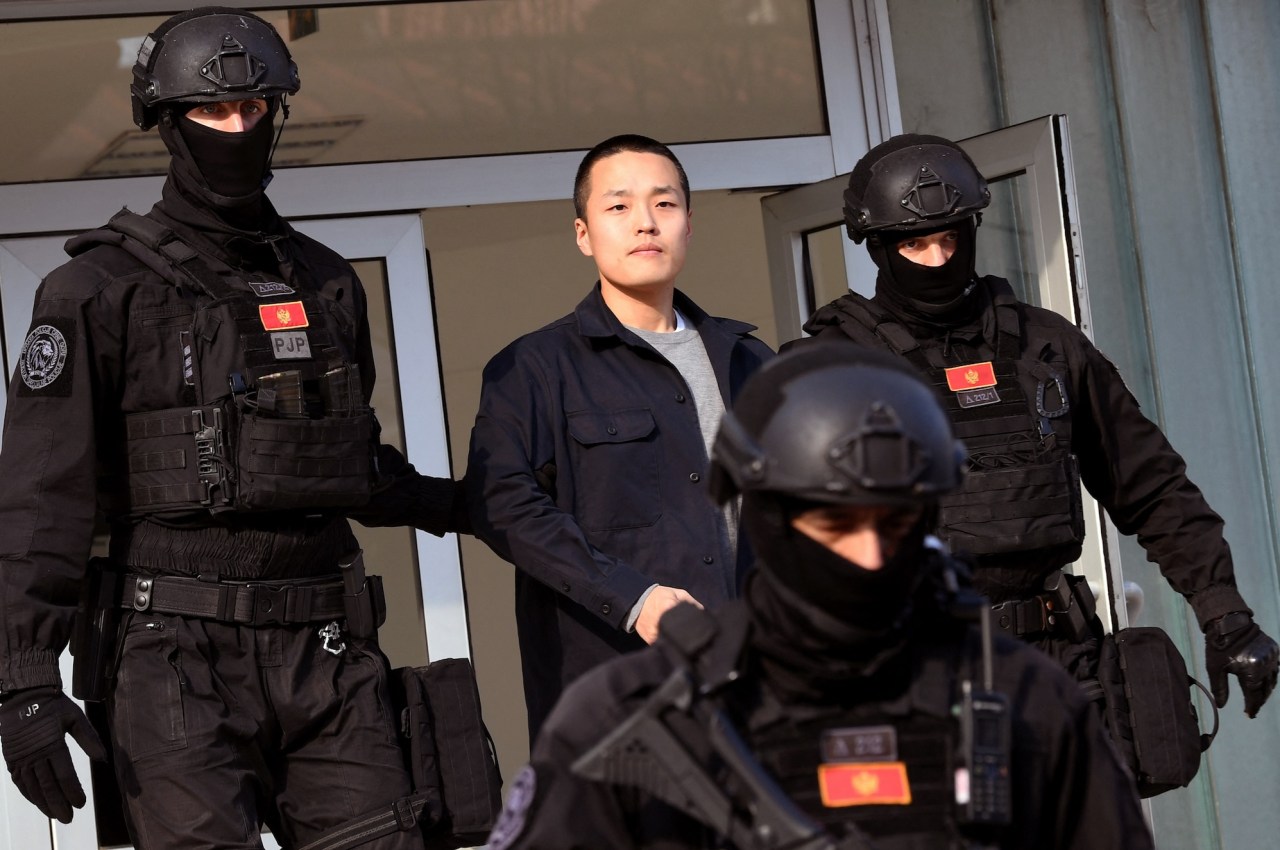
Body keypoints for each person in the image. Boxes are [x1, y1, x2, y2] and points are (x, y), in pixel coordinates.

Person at [0, 8, 465, 848]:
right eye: (214, 112)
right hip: (171, 654)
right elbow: (41, 502)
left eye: (255, 110)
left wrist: (478, 503)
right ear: (167, 124)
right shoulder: (96, 292)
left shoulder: (326, 283)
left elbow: (345, 462)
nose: (237, 129)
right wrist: (24, 680)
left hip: (326, 648)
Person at [482, 342, 1154, 850]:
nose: (867, 555)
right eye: (835, 526)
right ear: (768, 517)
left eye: (892, 524)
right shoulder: (632, 717)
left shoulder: (1024, 697)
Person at [794, 133, 1277, 719]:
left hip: (1059, 659)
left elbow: (1151, 487)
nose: (939, 260)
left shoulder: (1047, 345)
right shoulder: (827, 368)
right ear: (878, 247)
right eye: (916, 245)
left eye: (951, 238)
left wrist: (1224, 615)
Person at [465, 134, 774, 739]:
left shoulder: (749, 361)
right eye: (618, 207)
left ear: (689, 223)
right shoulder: (535, 368)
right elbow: (503, 505)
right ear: (583, 234)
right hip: (617, 695)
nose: (645, 224)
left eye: (664, 204)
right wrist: (637, 600)